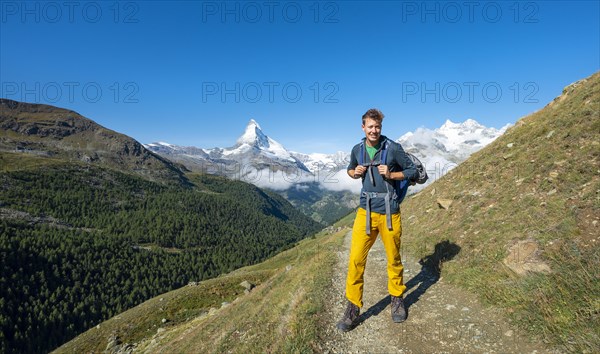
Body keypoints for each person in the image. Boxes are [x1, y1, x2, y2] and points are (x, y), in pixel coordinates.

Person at [336, 108, 418, 332]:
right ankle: (353, 307)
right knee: (355, 260)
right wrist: (354, 173)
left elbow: (412, 171)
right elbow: (350, 170)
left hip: (390, 211)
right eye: (370, 126)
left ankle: (397, 299)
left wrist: (391, 175)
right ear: (363, 127)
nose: (374, 130)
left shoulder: (393, 148)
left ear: (381, 127)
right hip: (365, 211)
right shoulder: (357, 149)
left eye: (377, 127)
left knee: (394, 259)